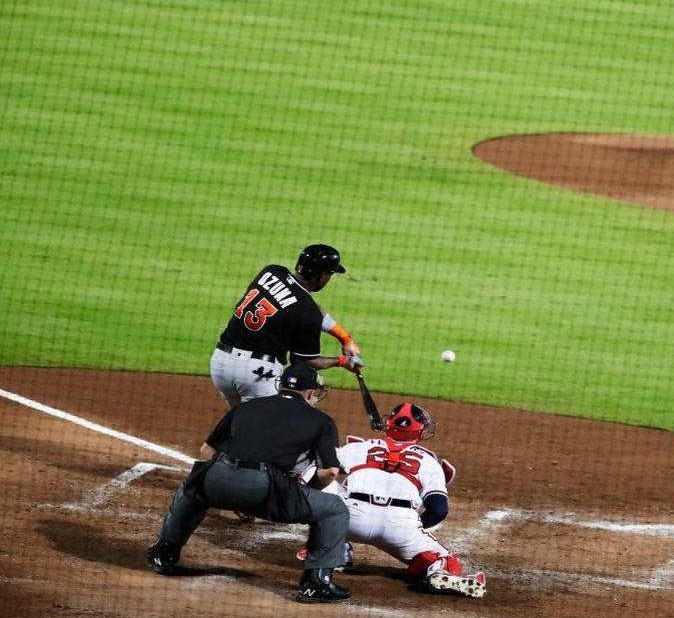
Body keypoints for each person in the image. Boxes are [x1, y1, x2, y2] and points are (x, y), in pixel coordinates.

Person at [146, 364, 353, 603]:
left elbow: (206, 453)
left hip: (218, 478)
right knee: (334, 509)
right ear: (310, 392)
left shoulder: (247, 406)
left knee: (192, 487)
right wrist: (304, 491)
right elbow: (330, 472)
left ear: (280, 385)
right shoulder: (322, 421)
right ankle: (316, 583)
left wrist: (227, 487)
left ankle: (164, 552)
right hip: (266, 488)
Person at [298, 402, 487, 598]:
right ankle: (436, 571)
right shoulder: (429, 462)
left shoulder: (358, 447)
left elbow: (314, 468)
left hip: (349, 518)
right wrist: (412, 529)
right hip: (400, 526)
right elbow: (439, 510)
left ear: (388, 425)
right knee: (445, 560)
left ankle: (330, 549)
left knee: (321, 481)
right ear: (420, 431)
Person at [210, 243, 364, 408]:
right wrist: (342, 361)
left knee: (239, 421)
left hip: (220, 364)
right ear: (321, 276)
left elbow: (308, 307)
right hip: (256, 375)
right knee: (267, 427)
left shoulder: (271, 272)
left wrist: (345, 338)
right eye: (329, 274)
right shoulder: (307, 312)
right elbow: (309, 361)